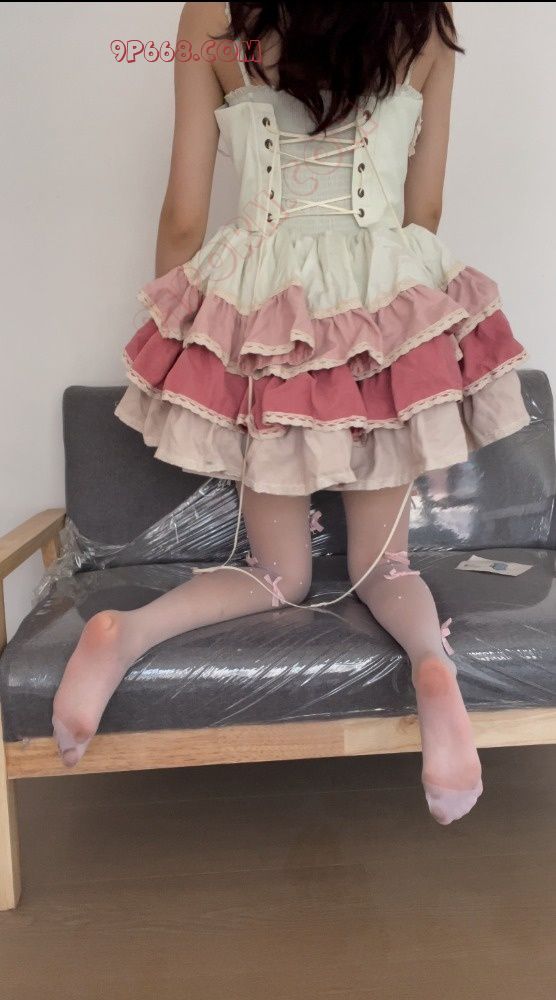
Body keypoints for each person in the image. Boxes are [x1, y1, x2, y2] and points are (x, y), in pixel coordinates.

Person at [52, 2, 530, 825]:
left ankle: (124, 634)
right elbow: (424, 210)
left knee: (277, 574)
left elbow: (184, 215)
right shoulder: (426, 18)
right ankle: (433, 666)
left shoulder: (210, 12)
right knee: (386, 569)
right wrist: (386, 301)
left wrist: (183, 332)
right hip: (377, 304)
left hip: (263, 307)